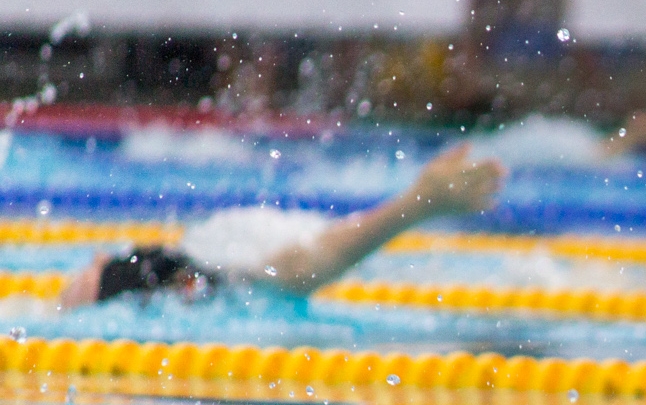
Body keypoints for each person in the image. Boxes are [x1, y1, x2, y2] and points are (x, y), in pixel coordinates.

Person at [57, 145, 509, 308]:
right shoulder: (239, 275)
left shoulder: (221, 263)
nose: (96, 256)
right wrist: (414, 206)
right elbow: (303, 265)